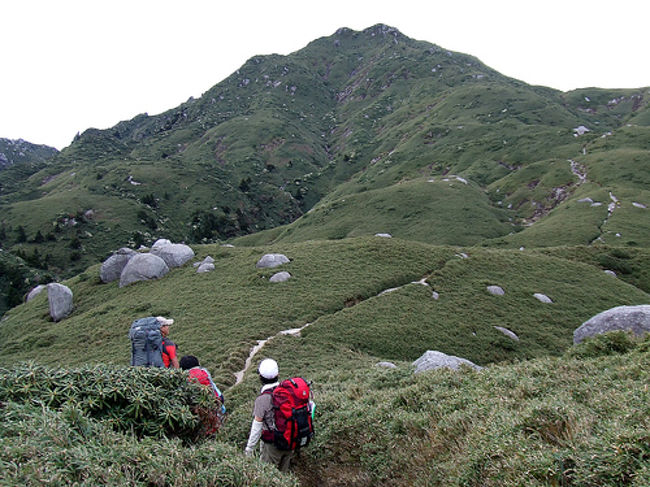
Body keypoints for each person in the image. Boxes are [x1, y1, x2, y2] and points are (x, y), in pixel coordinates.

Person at [244, 358, 295, 472]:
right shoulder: (288, 392)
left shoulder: (262, 399)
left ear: (260, 378)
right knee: (284, 476)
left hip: (273, 445)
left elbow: (256, 427)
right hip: (290, 441)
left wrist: (249, 448)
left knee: (268, 476)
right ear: (278, 374)